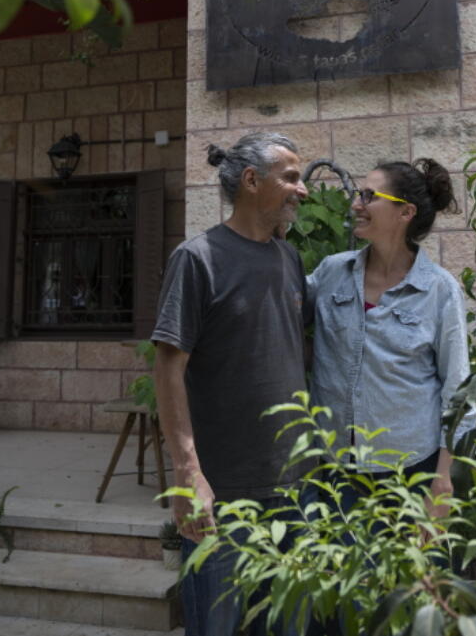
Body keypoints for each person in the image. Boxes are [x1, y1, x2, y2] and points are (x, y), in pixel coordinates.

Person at [151, 132, 311, 636]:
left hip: (293, 488)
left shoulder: (290, 260)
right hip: (222, 496)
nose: (302, 190)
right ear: (250, 181)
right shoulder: (197, 259)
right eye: (290, 177)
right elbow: (168, 368)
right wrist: (187, 474)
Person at [306, 158, 471, 520]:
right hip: (335, 470)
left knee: (412, 578)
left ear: (405, 212)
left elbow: (458, 391)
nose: (355, 204)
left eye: (369, 196)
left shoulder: (439, 290)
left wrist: (442, 480)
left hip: (412, 473)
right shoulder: (332, 273)